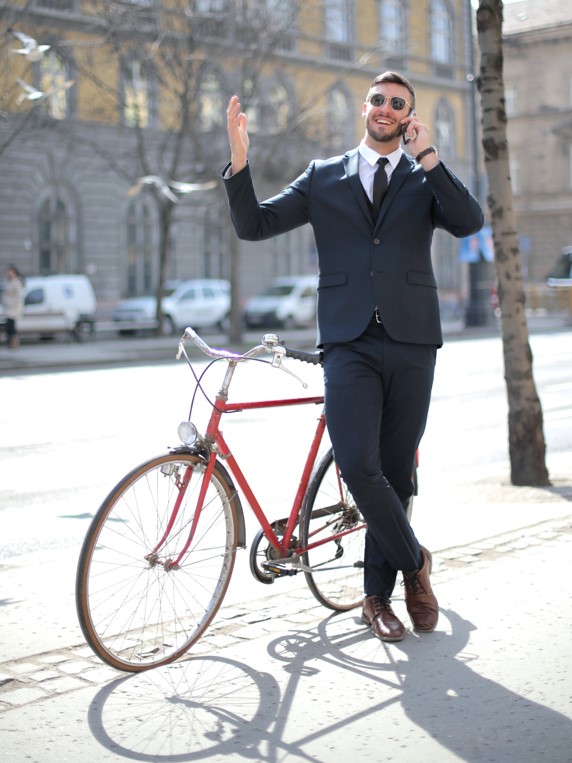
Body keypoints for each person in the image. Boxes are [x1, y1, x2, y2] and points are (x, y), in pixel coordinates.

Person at [222, 71, 484, 642]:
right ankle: (417, 565)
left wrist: (431, 157)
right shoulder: (324, 177)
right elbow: (253, 224)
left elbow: (469, 223)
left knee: (397, 473)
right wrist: (240, 161)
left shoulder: (423, 178)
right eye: (378, 100)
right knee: (358, 466)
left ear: (408, 116)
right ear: (363, 109)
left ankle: (376, 599)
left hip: (414, 339)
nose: (386, 108)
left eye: (398, 103)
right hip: (348, 340)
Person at [2, 264, 25, 349]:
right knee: (8, 325)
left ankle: (14, 342)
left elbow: (19, 296)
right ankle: (11, 342)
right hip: (7, 307)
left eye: (10, 271)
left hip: (14, 307)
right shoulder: (7, 281)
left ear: (14, 272)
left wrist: (12, 303)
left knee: (11, 325)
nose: (9, 273)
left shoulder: (16, 282)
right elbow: (5, 293)